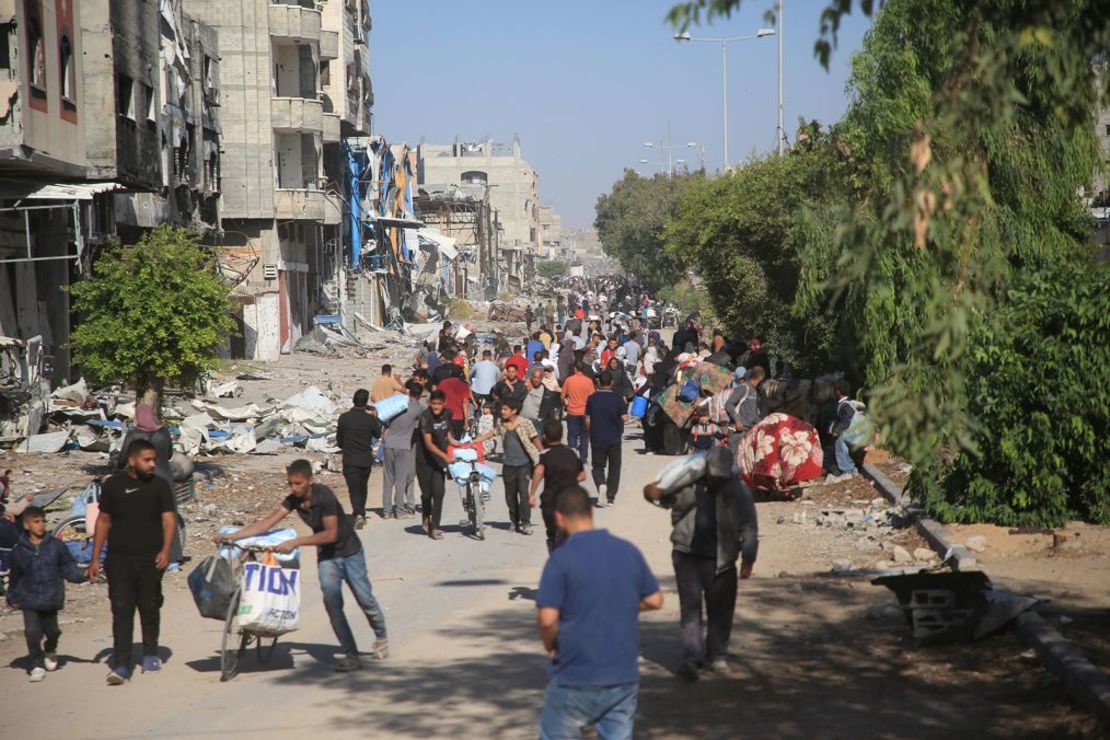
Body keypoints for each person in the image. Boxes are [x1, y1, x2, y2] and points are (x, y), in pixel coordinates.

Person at [218, 459, 388, 673]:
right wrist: (232, 537)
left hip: (349, 553)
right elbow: (267, 523)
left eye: (298, 483)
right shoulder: (293, 500)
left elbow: (331, 534)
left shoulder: (324, 496)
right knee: (333, 605)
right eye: (290, 483)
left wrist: (295, 542)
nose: (294, 488)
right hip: (327, 558)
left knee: (366, 600)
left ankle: (381, 636)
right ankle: (351, 654)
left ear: (310, 481)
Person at [536, 486, 663, 739]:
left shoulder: (561, 559)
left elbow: (548, 619)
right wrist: (620, 603)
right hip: (622, 677)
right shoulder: (626, 550)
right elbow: (655, 599)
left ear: (559, 517)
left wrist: (551, 645)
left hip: (574, 675)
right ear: (592, 511)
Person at [643, 446, 758, 681]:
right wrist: (650, 491)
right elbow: (660, 497)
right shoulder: (687, 485)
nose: (716, 479)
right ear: (706, 469)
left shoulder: (737, 490)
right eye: (713, 474)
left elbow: (749, 524)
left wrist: (749, 555)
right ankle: (692, 658)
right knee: (691, 609)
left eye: (720, 476)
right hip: (687, 555)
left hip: (723, 559)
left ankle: (717, 655)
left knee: (721, 611)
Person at [89, 439, 177, 685]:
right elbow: (103, 521)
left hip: (151, 559)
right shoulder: (114, 485)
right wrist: (95, 558)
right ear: (132, 460)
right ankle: (121, 663)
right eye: (147, 460)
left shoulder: (160, 486)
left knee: (149, 606)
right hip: (119, 559)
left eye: (154, 460)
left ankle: (150, 652)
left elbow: (169, 521)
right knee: (121, 609)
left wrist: (166, 550)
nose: (152, 464)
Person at [6, 506, 88, 682]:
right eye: (36, 522)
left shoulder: (56, 546)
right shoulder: (18, 551)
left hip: (51, 597)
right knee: (32, 632)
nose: (41, 525)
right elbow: (15, 577)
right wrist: (12, 598)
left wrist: (84, 574)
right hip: (29, 599)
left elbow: (68, 568)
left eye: (43, 521)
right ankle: (36, 664)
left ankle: (50, 649)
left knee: (53, 631)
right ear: (27, 525)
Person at [116, 404, 185, 564]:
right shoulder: (163, 432)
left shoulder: (133, 434)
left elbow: (124, 457)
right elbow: (168, 454)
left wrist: (117, 468)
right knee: (168, 518)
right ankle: (173, 559)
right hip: (165, 479)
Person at [476, 399, 542, 535]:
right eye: (502, 409)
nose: (502, 412)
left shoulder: (525, 423)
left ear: (514, 411)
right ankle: (514, 521)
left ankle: (526, 522)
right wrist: (475, 441)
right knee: (510, 496)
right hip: (508, 466)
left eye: (505, 409)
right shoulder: (502, 423)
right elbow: (492, 433)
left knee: (524, 494)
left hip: (524, 464)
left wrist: (544, 454)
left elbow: (535, 439)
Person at [528, 420, 586, 553]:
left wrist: (532, 494)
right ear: (562, 434)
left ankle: (553, 551)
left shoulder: (544, 455)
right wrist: (570, 480)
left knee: (552, 533)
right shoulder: (571, 453)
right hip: (571, 501)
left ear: (545, 437)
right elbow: (582, 476)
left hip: (551, 501)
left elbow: (539, 472)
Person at [336, 389, 383, 529]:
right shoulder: (369, 419)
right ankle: (360, 512)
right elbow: (378, 433)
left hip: (350, 458)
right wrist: (376, 416)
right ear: (366, 402)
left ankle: (358, 514)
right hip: (365, 458)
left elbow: (339, 441)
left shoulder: (344, 418)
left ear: (353, 400)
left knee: (354, 488)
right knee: (363, 487)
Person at [417, 390, 456, 540]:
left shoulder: (448, 414)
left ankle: (435, 527)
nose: (436, 407)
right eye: (434, 403)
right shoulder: (425, 417)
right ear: (429, 403)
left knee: (439, 493)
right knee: (427, 494)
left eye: (439, 404)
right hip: (424, 461)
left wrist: (458, 445)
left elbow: (448, 435)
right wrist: (445, 455)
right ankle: (426, 515)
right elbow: (428, 443)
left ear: (444, 403)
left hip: (439, 462)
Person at [586, 371, 628, 508]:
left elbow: (587, 420)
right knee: (614, 468)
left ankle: (601, 484)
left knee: (598, 467)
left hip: (597, 438)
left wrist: (590, 432)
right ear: (612, 383)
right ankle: (610, 497)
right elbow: (624, 418)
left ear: (599, 383)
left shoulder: (592, 398)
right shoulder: (617, 399)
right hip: (614, 438)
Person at [382, 382, 424, 519]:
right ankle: (400, 511)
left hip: (388, 445)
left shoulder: (397, 404)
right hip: (404, 447)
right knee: (400, 480)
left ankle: (387, 511)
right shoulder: (418, 408)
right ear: (420, 394)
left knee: (388, 480)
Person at [726, 367, 766, 456]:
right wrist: (737, 420)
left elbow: (753, 415)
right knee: (734, 463)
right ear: (759, 378)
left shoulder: (754, 391)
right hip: (737, 433)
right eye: (761, 380)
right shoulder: (743, 388)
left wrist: (764, 424)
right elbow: (729, 404)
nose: (761, 383)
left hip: (748, 432)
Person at [562, 362, 595, 464]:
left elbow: (562, 396)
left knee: (572, 435)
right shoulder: (588, 381)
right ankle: (583, 458)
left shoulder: (569, 380)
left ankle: (572, 457)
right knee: (584, 436)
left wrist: (565, 404)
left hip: (572, 411)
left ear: (575, 368)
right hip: (585, 412)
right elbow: (592, 397)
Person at [830, 381, 859, 478]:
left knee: (839, 443)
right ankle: (852, 469)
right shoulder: (845, 403)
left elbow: (846, 421)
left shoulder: (845, 405)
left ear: (838, 392)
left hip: (854, 432)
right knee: (841, 445)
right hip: (854, 431)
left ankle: (847, 470)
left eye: (834, 390)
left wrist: (836, 431)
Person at [437, 370, 472, 440]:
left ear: (450, 373)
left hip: (444, 416)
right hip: (459, 418)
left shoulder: (442, 383)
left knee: (445, 439)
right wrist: (466, 420)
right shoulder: (463, 385)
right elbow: (465, 402)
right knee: (457, 439)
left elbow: (437, 398)